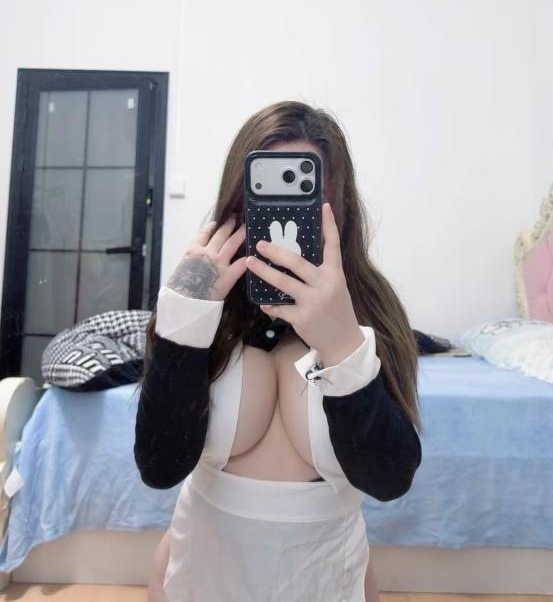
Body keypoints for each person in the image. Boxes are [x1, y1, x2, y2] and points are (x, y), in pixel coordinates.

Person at [134, 101, 423, 602]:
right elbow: (159, 468)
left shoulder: (370, 308)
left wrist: (341, 343)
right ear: (238, 196)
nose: (284, 212)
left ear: (338, 203)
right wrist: (183, 322)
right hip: (194, 579)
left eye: (306, 193)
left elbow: (390, 479)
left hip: (329, 584)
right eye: (264, 191)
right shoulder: (203, 305)